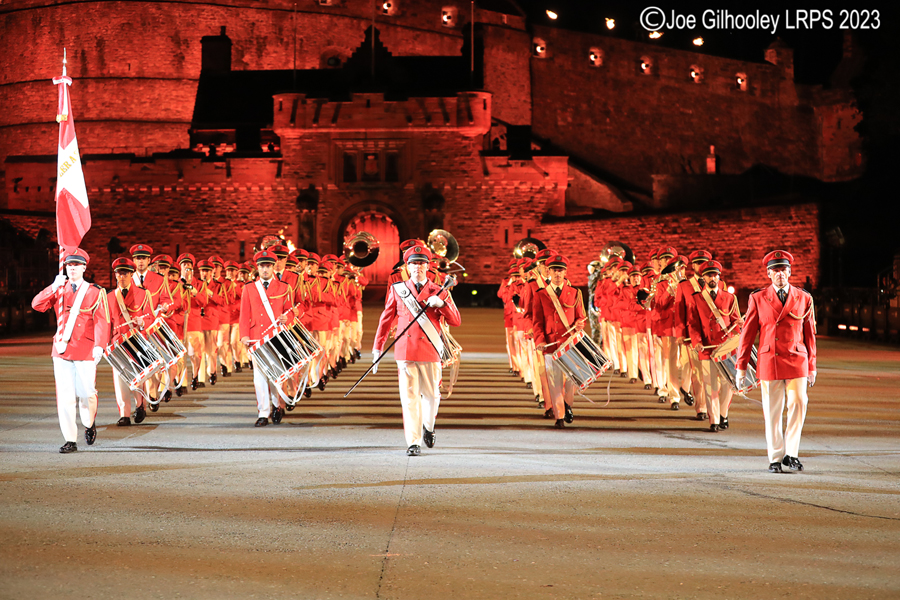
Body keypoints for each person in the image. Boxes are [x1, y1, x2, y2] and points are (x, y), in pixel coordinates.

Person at [372, 244, 461, 456]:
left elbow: (456, 321)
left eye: (421, 263)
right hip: (405, 351)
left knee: (431, 394)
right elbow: (385, 320)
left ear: (428, 266)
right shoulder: (398, 289)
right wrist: (377, 347)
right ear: (407, 266)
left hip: (430, 349)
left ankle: (428, 427)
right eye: (413, 264)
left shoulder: (440, 290)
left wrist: (442, 304)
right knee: (409, 396)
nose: (417, 267)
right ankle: (413, 441)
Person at [736, 250, 817, 473]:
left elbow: (810, 334)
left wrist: (812, 366)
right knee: (773, 411)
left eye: (783, 270)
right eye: (775, 270)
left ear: (790, 273)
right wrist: (741, 367)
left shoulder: (804, 297)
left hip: (797, 358)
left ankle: (791, 453)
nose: (780, 274)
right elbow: (747, 334)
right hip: (770, 359)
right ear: (769, 274)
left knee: (799, 403)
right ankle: (775, 457)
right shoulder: (758, 298)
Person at [31, 248, 110, 453]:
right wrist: (52, 286)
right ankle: (70, 439)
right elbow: (37, 305)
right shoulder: (59, 288)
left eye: (76, 265)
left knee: (87, 393)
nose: (72, 268)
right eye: (69, 265)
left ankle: (89, 421)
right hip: (62, 349)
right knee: (64, 396)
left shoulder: (94, 291)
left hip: (85, 349)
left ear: (84, 267)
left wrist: (100, 345)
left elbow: (102, 320)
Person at [239, 249, 294, 427]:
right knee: (259, 376)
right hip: (256, 337)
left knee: (277, 374)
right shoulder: (248, 288)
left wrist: (289, 318)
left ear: (273, 267)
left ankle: (278, 405)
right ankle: (263, 413)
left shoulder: (284, 287)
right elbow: (244, 314)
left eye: (268, 266)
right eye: (262, 266)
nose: (265, 270)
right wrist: (244, 335)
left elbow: (290, 309)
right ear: (257, 267)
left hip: (276, 336)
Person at [533, 253, 586, 428]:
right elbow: (537, 322)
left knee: (570, 381)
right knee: (554, 381)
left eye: (561, 271)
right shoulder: (541, 294)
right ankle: (559, 416)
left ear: (565, 272)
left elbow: (581, 317)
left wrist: (579, 324)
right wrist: (539, 341)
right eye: (554, 270)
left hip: (569, 344)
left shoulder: (575, 293)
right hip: (550, 344)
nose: (557, 274)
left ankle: (568, 404)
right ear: (548, 271)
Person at [688, 261, 741, 432]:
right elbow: (693, 324)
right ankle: (714, 420)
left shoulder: (730, 298)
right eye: (709, 275)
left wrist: (740, 326)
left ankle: (723, 414)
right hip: (707, 348)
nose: (713, 278)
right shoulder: (696, 298)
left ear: (719, 277)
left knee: (728, 385)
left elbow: (735, 321)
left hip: (726, 348)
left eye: (716, 275)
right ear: (703, 278)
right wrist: (696, 342)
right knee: (710, 386)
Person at [106, 257, 155, 426]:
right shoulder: (110, 296)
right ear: (115, 276)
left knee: (138, 376)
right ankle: (124, 413)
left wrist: (144, 323)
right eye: (119, 274)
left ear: (132, 274)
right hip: (117, 340)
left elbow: (150, 317)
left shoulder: (143, 293)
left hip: (136, 339)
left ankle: (140, 405)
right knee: (120, 378)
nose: (122, 277)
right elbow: (107, 322)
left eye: (125, 273)